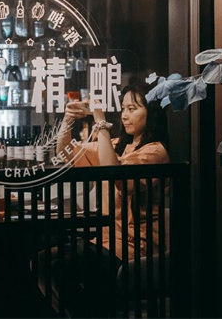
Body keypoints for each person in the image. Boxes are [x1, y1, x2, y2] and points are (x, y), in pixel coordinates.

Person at [41, 84, 169, 317]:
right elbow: (65, 153)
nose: (125, 115)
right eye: (123, 108)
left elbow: (114, 174)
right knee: (42, 262)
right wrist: (67, 120)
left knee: (60, 268)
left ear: (151, 113)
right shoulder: (118, 145)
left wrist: (100, 121)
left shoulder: (155, 152)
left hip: (134, 247)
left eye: (132, 108)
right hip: (105, 240)